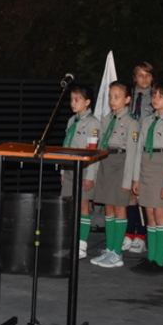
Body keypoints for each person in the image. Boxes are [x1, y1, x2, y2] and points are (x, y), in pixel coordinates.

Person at [130, 82, 163, 274]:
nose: (156, 99)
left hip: (162, 167)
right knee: (149, 215)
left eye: (161, 96)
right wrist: (136, 178)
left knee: (161, 216)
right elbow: (139, 151)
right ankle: (151, 258)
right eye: (154, 95)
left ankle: (159, 261)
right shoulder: (148, 120)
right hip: (147, 168)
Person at [89, 81, 139, 268]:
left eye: (117, 97)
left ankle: (117, 252)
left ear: (127, 99)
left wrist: (128, 180)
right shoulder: (107, 119)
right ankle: (110, 248)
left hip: (120, 163)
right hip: (106, 162)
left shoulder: (131, 122)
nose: (112, 100)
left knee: (119, 208)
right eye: (110, 96)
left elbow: (132, 153)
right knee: (108, 208)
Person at [61, 83, 101, 259]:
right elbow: (66, 146)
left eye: (77, 100)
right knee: (68, 205)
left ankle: (81, 244)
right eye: (71, 99)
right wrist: (62, 171)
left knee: (83, 206)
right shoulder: (72, 120)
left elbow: (94, 152)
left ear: (87, 102)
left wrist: (91, 176)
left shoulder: (93, 123)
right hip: (69, 168)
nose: (73, 103)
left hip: (84, 169)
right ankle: (70, 240)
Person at [124, 62, 156, 255]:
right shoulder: (127, 97)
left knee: (143, 193)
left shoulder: (156, 97)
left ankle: (142, 235)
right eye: (140, 75)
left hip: (145, 150)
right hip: (129, 148)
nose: (144, 79)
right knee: (129, 193)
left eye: (148, 75)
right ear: (134, 78)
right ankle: (129, 232)